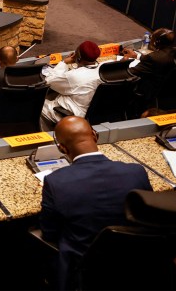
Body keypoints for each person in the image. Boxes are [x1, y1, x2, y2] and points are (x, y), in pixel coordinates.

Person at [40, 116, 152, 290]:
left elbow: (49, 233)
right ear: (95, 135)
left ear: (61, 148)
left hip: (84, 272)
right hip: (136, 266)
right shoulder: (136, 172)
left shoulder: (55, 182)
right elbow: (147, 217)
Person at [40, 41, 102, 131]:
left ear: (78, 57)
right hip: (90, 113)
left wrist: (64, 62)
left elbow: (49, 81)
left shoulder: (74, 76)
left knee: (34, 104)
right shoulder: (103, 69)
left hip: (68, 115)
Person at [122, 28, 176, 108]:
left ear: (156, 42)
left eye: (152, 37)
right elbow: (157, 59)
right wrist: (137, 56)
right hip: (169, 92)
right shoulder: (174, 52)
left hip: (148, 92)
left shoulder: (153, 58)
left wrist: (124, 61)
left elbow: (130, 72)